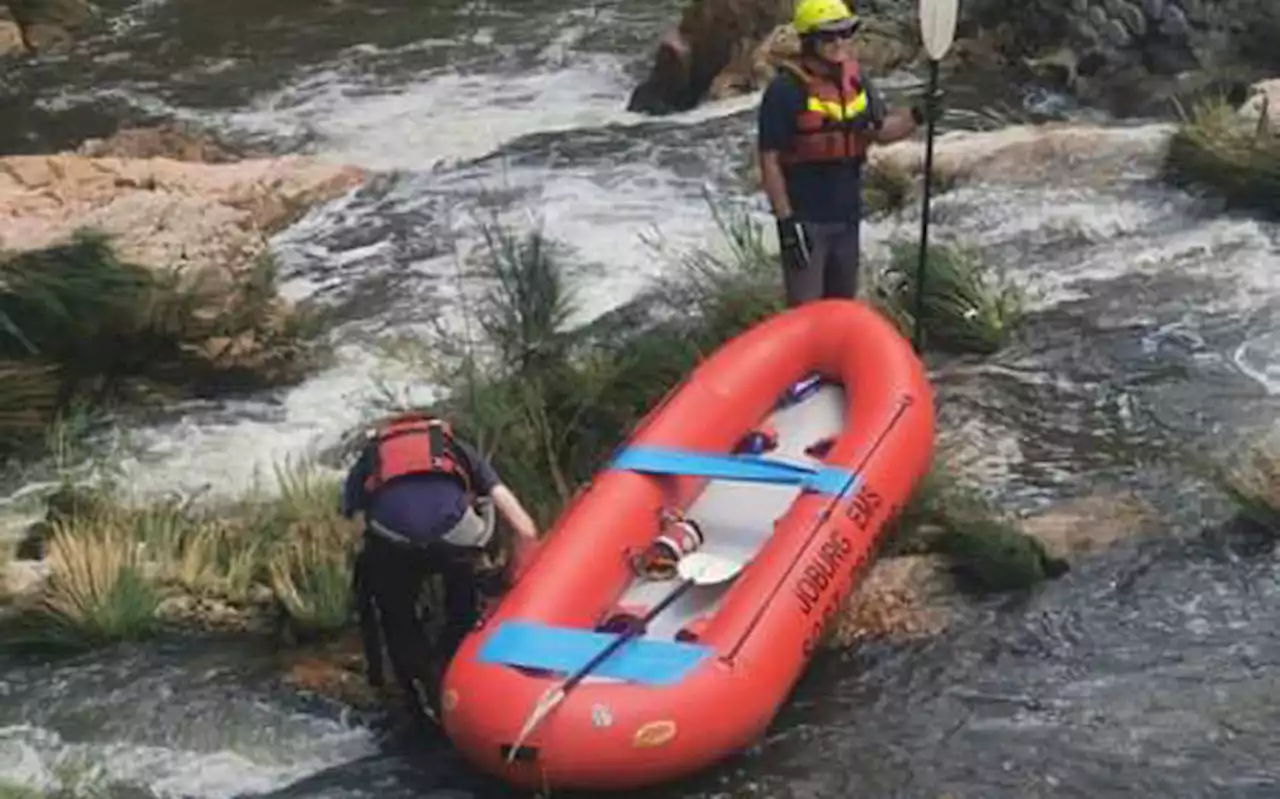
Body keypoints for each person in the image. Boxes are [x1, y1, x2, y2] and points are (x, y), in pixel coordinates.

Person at [340, 410, 541, 727]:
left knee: (398, 618)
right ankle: (458, 651)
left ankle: (418, 696)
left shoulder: (371, 457)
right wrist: (511, 577)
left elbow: (352, 524)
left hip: (392, 542)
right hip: (453, 538)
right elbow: (524, 528)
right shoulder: (456, 449)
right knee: (462, 582)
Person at [757, 0, 937, 307]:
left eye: (845, 33)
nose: (839, 42)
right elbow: (769, 160)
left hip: (846, 218)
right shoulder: (784, 91)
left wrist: (920, 115)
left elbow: (880, 132)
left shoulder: (855, 81)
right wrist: (786, 224)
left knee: (842, 308)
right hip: (806, 221)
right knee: (807, 313)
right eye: (829, 36)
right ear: (808, 41)